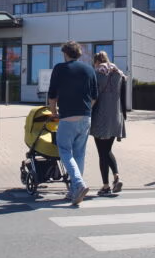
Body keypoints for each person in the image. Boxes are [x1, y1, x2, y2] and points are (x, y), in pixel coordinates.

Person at [47, 41, 98, 206]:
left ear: (65, 53)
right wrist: (86, 110)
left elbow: (52, 95)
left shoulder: (60, 68)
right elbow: (94, 96)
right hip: (85, 117)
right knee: (79, 154)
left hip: (67, 117)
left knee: (64, 152)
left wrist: (54, 113)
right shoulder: (90, 69)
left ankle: (79, 183)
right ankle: (74, 191)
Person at [90, 51, 126, 196]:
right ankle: (116, 177)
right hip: (116, 118)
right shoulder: (119, 74)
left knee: (102, 152)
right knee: (107, 150)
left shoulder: (97, 74)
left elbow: (93, 96)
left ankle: (105, 186)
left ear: (96, 62)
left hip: (101, 118)